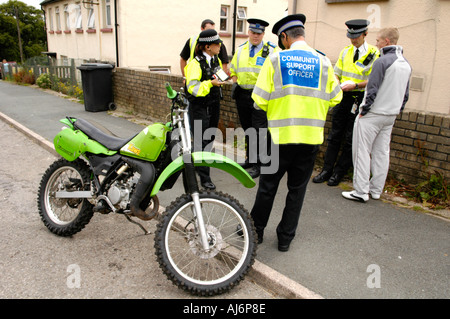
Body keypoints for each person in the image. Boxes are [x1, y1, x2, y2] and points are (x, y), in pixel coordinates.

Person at [249, 14, 343, 251]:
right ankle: (285, 239)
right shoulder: (323, 62)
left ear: (284, 37)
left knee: (268, 187)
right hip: (310, 139)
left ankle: (255, 232)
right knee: (297, 190)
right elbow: (336, 98)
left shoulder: (275, 60)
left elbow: (259, 99)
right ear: (302, 35)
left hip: (279, 138)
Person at [342, 28, 411, 202]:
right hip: (391, 115)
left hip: (373, 114)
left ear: (387, 41)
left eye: (379, 40)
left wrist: (363, 110)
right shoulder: (405, 63)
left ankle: (360, 191)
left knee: (361, 152)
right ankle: (375, 190)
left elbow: (372, 90)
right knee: (382, 152)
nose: (377, 43)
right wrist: (398, 110)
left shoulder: (381, 62)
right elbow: (406, 94)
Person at [313, 19, 379, 186]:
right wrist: (338, 83)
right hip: (343, 97)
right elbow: (337, 73)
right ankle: (326, 170)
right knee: (334, 135)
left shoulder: (374, 53)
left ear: (365, 34)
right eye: (351, 36)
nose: (353, 39)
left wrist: (356, 85)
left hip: (359, 98)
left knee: (351, 138)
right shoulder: (345, 52)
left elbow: (373, 79)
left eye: (356, 36)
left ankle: (339, 173)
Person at [230, 18, 276, 179]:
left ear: (263, 34)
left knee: (260, 130)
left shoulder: (271, 51)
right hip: (242, 94)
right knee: (248, 128)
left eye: (259, 33)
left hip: (260, 96)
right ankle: (251, 159)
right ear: (248, 32)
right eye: (253, 32)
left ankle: (260, 165)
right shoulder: (241, 49)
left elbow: (276, 75)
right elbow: (233, 70)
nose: (256, 36)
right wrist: (236, 83)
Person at [184, 29, 226, 190]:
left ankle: (198, 168)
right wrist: (210, 84)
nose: (220, 46)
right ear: (207, 46)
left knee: (208, 139)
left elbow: (219, 75)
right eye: (217, 44)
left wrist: (221, 80)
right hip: (199, 108)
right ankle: (204, 178)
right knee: (201, 141)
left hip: (213, 105)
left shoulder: (216, 60)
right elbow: (193, 88)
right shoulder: (194, 64)